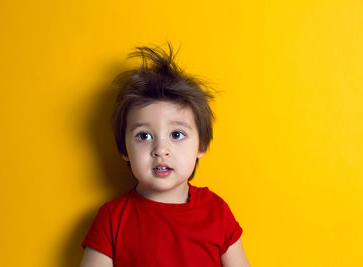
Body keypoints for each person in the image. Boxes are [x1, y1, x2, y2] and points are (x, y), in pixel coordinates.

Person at [80, 43, 251, 267]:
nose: (161, 150)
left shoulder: (216, 212)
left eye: (177, 134)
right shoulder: (112, 219)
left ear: (201, 146)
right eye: (144, 136)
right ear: (124, 150)